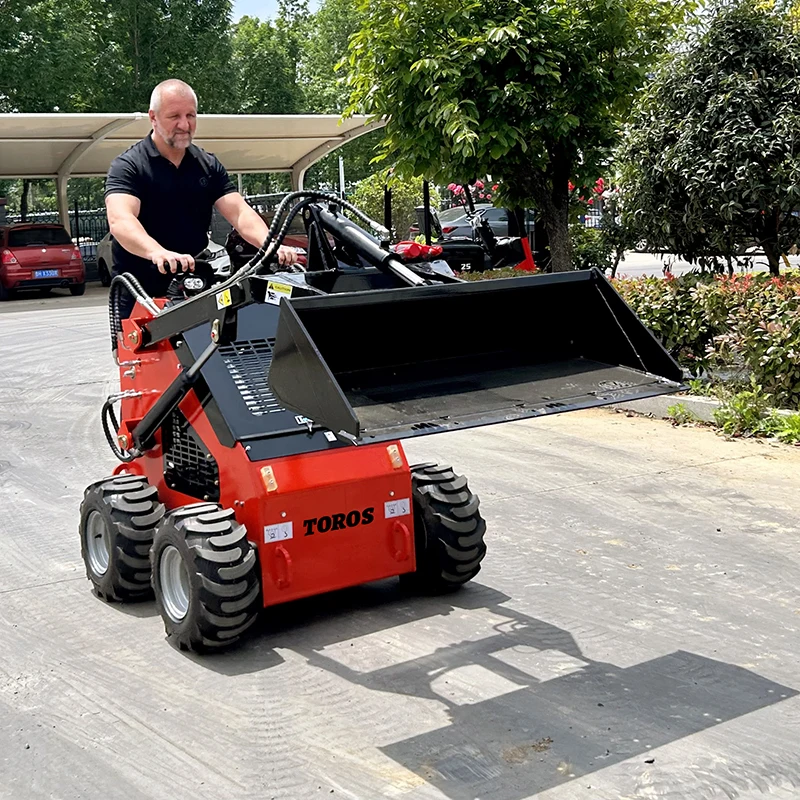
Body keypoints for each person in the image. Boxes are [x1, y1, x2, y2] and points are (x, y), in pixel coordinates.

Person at [104, 78, 296, 315]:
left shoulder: (207, 165)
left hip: (192, 286)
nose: (184, 124)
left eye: (191, 115)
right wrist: (157, 252)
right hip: (139, 294)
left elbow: (239, 212)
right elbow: (120, 220)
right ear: (153, 117)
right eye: (174, 116)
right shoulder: (129, 166)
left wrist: (270, 245)